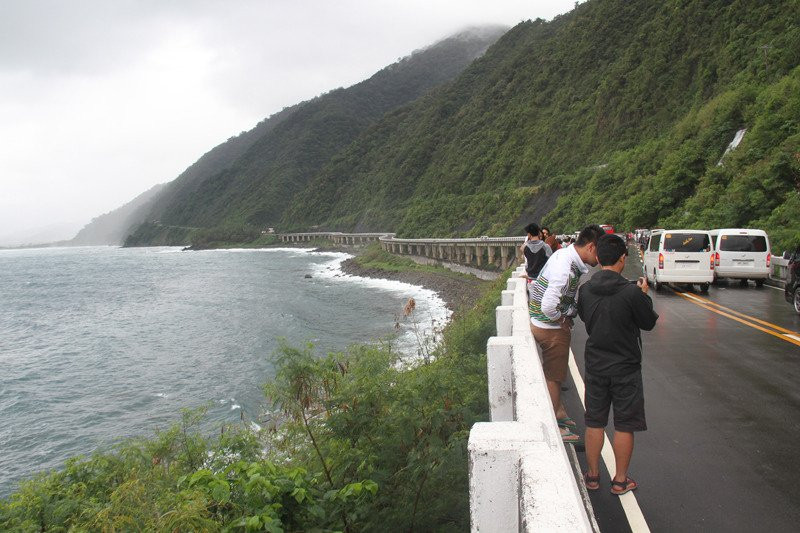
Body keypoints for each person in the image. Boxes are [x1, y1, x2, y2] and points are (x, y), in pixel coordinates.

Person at [577, 234, 659, 495]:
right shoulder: (631, 292)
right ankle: (620, 481)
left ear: (598, 258)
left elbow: (584, 317)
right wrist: (643, 295)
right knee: (624, 423)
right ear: (623, 258)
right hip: (625, 367)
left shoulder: (585, 290)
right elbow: (648, 322)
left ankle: (592, 476)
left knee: (594, 421)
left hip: (596, 364)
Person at [528, 224, 604, 442]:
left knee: (557, 375)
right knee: (554, 376)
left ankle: (559, 412)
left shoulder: (565, 256)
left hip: (543, 323)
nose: (600, 259)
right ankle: (553, 426)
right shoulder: (565, 267)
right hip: (549, 328)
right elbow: (548, 306)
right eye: (599, 252)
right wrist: (562, 319)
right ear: (591, 247)